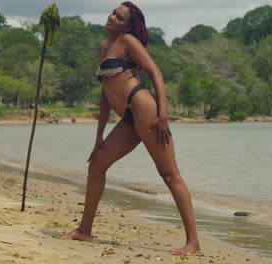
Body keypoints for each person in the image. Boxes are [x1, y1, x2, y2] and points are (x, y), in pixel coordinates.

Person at [60, 1, 200, 256]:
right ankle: (84, 230)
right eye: (114, 13)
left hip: (143, 107)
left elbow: (155, 73)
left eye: (120, 17)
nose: (113, 17)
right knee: (97, 165)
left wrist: (163, 115)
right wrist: (99, 134)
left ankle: (193, 242)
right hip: (126, 116)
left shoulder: (127, 42)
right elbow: (105, 93)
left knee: (169, 174)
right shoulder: (104, 47)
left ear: (128, 26)